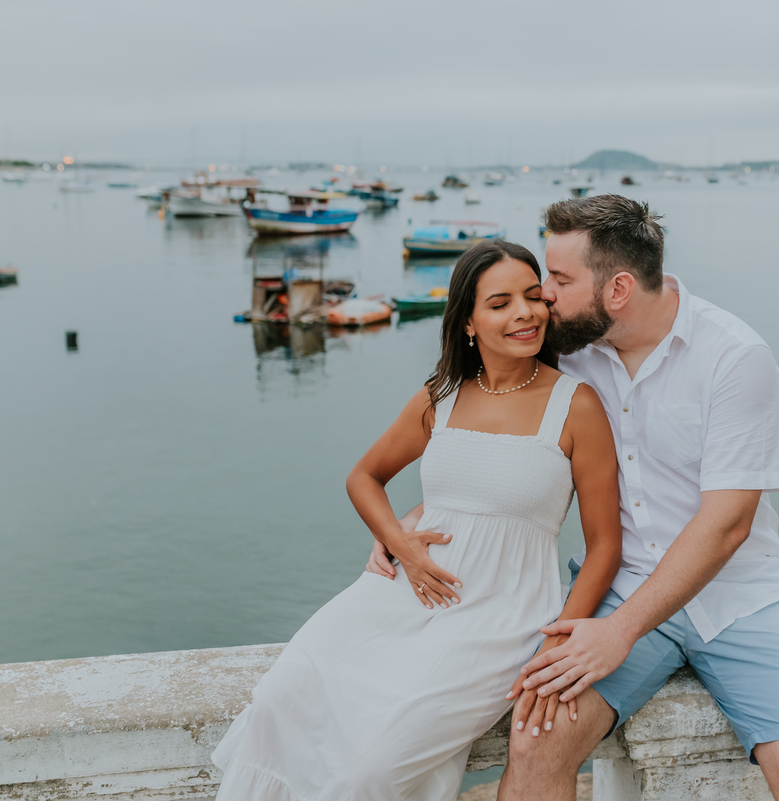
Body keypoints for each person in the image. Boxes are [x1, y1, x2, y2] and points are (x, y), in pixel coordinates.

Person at [372, 195, 779, 799]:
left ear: (618, 289)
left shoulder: (734, 357)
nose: (543, 294)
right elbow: (501, 438)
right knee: (534, 740)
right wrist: (418, 518)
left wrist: (619, 631)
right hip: (614, 587)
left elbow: (729, 523)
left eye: (560, 279)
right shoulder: (567, 350)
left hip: (741, 598)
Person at [213, 240, 622, 801]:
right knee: (280, 698)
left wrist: (555, 646)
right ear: (469, 323)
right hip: (404, 595)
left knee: (374, 770)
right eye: (500, 303)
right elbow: (364, 476)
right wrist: (398, 542)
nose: (524, 313)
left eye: (534, 296)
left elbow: (604, 548)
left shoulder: (576, 405)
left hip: (501, 617)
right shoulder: (443, 395)